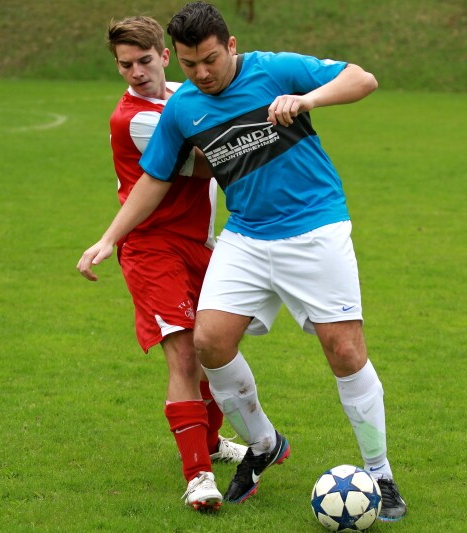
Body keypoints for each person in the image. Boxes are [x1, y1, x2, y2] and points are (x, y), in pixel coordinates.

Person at [77, 1, 408, 522]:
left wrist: (306, 99)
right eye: (190, 64)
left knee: (344, 350)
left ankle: (381, 474)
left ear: (231, 46)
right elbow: (155, 178)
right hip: (247, 235)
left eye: (210, 60)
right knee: (208, 342)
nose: (202, 74)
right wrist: (107, 238)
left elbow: (362, 79)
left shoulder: (274, 69)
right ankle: (263, 442)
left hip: (315, 227)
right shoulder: (184, 108)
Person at [81, 16, 246, 511]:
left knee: (214, 349)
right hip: (153, 246)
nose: (135, 73)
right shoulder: (132, 119)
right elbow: (212, 161)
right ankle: (197, 477)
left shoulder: (180, 92)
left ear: (166, 56)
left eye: (144, 61)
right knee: (184, 355)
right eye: (124, 65)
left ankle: (211, 444)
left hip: (201, 244)